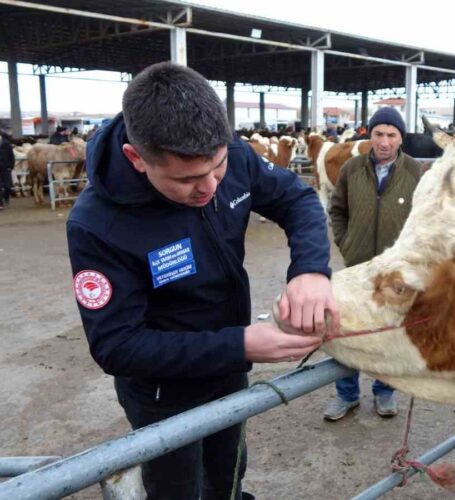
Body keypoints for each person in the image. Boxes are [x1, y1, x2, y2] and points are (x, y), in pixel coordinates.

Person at [66, 62, 337, 499]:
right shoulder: (96, 225)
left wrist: (309, 270)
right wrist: (242, 344)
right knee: (177, 486)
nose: (210, 186)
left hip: (228, 368)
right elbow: (116, 345)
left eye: (219, 166)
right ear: (137, 159)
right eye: (187, 179)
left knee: (229, 470)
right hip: (163, 392)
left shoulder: (231, 154)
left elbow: (297, 198)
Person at [324, 107, 421, 421]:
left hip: (396, 273)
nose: (384, 141)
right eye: (379, 133)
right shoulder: (352, 169)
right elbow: (337, 210)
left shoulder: (415, 172)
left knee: (390, 332)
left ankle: (384, 392)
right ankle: (347, 395)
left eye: (391, 135)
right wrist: (346, 242)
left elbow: (423, 221)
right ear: (369, 135)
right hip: (357, 268)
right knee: (347, 330)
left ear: (400, 138)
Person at [0, 130, 14, 210]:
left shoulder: (6, 143)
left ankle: (6, 197)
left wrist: (10, 166)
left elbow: (11, 156)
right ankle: (0, 203)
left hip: (6, 167)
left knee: (8, 186)